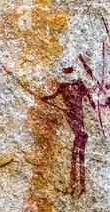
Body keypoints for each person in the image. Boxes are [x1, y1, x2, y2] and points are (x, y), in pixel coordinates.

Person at [42, 67, 96, 195]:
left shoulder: (76, 84)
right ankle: (76, 184)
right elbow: (89, 95)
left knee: (78, 145)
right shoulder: (68, 86)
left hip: (77, 117)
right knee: (78, 145)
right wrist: (45, 98)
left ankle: (77, 184)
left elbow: (89, 94)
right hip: (73, 116)